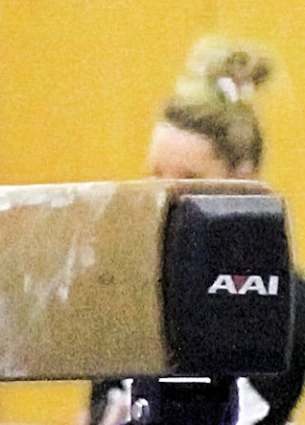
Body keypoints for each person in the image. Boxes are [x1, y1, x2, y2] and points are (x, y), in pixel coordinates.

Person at [90, 38, 303, 425]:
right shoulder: (123, 286)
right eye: (156, 175)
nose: (166, 196)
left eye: (188, 179)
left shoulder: (282, 299)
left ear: (244, 177)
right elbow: (98, 406)